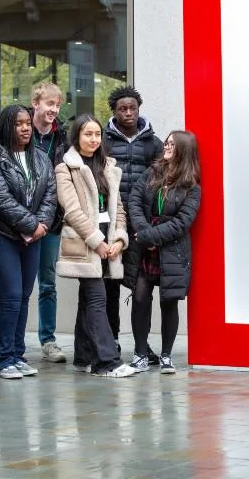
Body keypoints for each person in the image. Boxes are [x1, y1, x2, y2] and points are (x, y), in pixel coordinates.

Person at [0, 105, 57, 379]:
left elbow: (50, 193)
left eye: (27, 123)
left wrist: (42, 225)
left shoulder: (40, 158)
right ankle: (2, 359)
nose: (25, 128)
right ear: (6, 126)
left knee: (24, 297)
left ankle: (17, 354)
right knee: (11, 298)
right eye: (18, 123)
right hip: (4, 237)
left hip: (33, 238)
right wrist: (31, 224)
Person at [55, 114, 135, 378]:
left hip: (108, 242)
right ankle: (106, 362)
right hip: (85, 242)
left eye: (97, 134)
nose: (93, 139)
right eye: (87, 134)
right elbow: (72, 211)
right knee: (97, 298)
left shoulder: (108, 166)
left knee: (87, 300)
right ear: (77, 136)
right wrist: (97, 242)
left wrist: (119, 239)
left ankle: (83, 356)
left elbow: (119, 208)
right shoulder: (66, 168)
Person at [127, 131, 201, 374]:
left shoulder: (192, 186)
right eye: (166, 143)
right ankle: (140, 353)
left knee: (169, 302)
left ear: (183, 150)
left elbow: (182, 222)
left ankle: (167, 356)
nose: (166, 147)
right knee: (139, 299)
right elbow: (134, 201)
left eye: (172, 144)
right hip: (145, 248)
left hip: (172, 252)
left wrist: (151, 237)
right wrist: (143, 231)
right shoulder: (152, 172)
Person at [102, 86, 164, 360]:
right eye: (122, 109)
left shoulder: (153, 141)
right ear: (114, 112)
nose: (128, 113)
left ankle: (142, 344)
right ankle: (111, 339)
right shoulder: (103, 139)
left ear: (139, 109)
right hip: (111, 222)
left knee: (142, 286)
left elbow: (163, 176)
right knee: (110, 284)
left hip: (141, 222)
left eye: (132, 108)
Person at [29, 83, 69, 363]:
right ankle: (13, 341)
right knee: (18, 287)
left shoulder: (63, 138)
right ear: (36, 103)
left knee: (48, 283)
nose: (53, 110)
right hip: (21, 221)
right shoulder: (21, 131)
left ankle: (48, 339)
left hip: (52, 222)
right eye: (49, 104)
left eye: (57, 105)